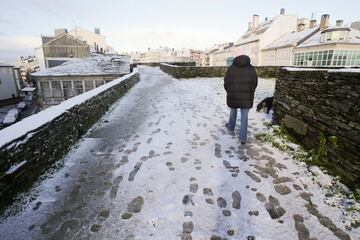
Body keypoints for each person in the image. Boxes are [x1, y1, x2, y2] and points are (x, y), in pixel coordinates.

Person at [224, 55, 258, 145]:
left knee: (233, 111)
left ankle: (231, 127)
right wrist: (251, 91)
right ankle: (243, 138)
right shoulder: (251, 68)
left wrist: (229, 90)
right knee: (244, 117)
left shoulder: (231, 68)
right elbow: (255, 82)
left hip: (233, 94)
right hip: (246, 96)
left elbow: (226, 82)